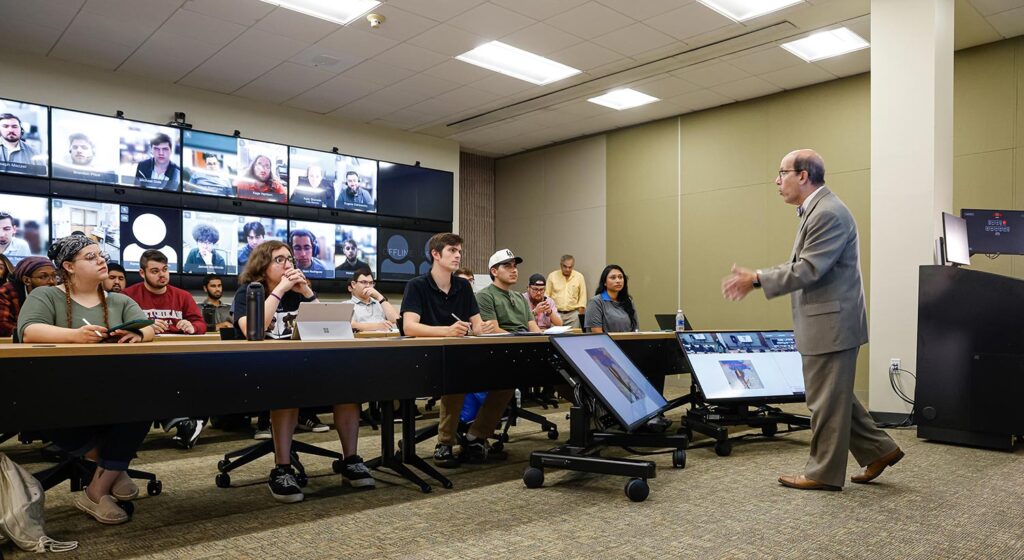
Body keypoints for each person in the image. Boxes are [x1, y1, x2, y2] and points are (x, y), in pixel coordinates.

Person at [721, 149, 903, 492]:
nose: (777, 181)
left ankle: (822, 472)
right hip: (828, 322)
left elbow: (808, 269)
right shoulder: (818, 210)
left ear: (803, 175)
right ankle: (881, 450)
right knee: (834, 396)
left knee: (825, 402)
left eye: (782, 173)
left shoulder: (828, 213)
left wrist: (757, 278)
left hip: (831, 325)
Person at [17, 234, 155, 525]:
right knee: (52, 410)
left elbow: (148, 327)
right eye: (90, 257)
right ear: (68, 266)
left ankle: (96, 491)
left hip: (113, 387)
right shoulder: (46, 296)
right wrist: (75, 336)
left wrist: (138, 333)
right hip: (61, 390)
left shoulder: (119, 299)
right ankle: (113, 467)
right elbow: (29, 331)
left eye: (101, 255)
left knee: (146, 400)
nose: (101, 260)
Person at [232, 240, 373, 503]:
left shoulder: (299, 292)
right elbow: (254, 329)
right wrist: (280, 290)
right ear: (263, 266)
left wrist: (307, 291)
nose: (288, 265)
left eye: (290, 260)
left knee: (348, 389)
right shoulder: (249, 291)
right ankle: (282, 469)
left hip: (304, 365)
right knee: (287, 391)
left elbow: (331, 329)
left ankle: (350, 460)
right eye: (280, 260)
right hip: (263, 369)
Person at [400, 233, 503, 468]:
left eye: (459, 252)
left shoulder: (463, 287)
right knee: (457, 375)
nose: (458, 256)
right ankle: (444, 442)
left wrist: (483, 328)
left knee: (506, 378)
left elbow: (476, 325)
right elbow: (409, 327)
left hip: (461, 354)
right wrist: (447, 331)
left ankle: (476, 436)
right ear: (435, 254)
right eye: (452, 251)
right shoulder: (417, 285)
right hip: (427, 358)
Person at [122, 249, 207, 449]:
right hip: (141, 357)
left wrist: (192, 327)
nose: (162, 275)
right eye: (155, 271)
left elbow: (200, 325)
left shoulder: (182, 296)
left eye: (165, 269)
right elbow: (119, 326)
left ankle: (184, 420)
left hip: (176, 356)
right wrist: (145, 326)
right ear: (142, 273)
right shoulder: (128, 296)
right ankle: (182, 421)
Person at [477, 249, 540, 334]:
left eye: (515, 266)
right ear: (494, 272)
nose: (514, 270)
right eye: (507, 266)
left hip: (524, 339)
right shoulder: (485, 295)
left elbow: (534, 328)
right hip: (505, 341)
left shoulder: (520, 297)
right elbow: (493, 330)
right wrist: (520, 339)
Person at [0, 256, 56, 337]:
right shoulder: (7, 292)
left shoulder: (59, 292)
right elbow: (2, 326)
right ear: (26, 280)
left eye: (54, 276)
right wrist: (34, 333)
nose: (52, 281)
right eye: (43, 277)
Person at [584, 265, 639, 333]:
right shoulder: (596, 302)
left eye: (620, 277)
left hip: (629, 340)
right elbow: (597, 333)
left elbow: (636, 328)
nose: (618, 281)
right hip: (605, 340)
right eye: (613, 278)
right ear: (605, 282)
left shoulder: (628, 301)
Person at [348, 267, 398, 332]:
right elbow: (350, 325)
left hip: (385, 338)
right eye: (364, 282)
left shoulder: (380, 303)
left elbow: (395, 319)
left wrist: (379, 296)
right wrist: (378, 326)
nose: (368, 286)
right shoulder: (346, 305)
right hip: (363, 338)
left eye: (371, 283)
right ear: (353, 284)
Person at [546, 254, 587, 328]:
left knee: (573, 335)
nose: (567, 269)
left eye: (570, 267)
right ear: (561, 265)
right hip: (556, 313)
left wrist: (579, 314)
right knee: (554, 334)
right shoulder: (552, 276)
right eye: (565, 266)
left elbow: (582, 299)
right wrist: (550, 313)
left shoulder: (579, 277)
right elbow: (546, 296)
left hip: (573, 315)